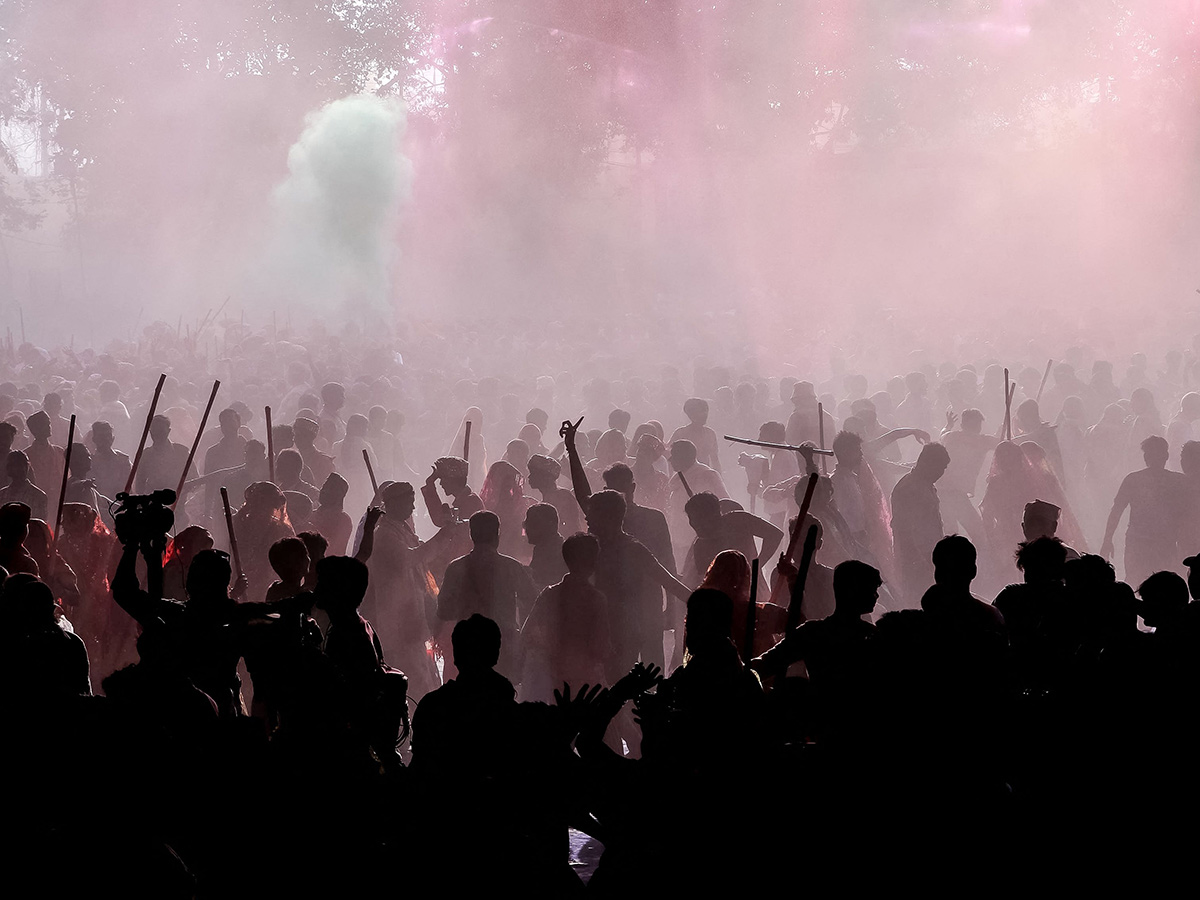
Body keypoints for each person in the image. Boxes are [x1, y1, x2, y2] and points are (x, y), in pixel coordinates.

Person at [437, 510, 538, 679]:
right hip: (504, 642)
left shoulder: (456, 568)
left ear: (471, 534)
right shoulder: (511, 567)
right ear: (497, 535)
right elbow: (534, 602)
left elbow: (444, 610)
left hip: (468, 645)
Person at [363, 482, 440, 702]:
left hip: (410, 609)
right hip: (396, 614)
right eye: (410, 501)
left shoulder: (401, 528)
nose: (413, 507)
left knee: (420, 669)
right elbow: (411, 558)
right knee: (407, 672)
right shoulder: (385, 534)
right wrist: (443, 537)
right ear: (393, 504)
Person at [520, 532, 612, 700]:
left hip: (555, 678)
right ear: (594, 562)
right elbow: (600, 645)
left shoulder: (549, 594)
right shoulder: (596, 599)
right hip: (587, 679)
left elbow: (527, 633)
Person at [1101, 435, 1189, 587]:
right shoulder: (1178, 481)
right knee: (1164, 586)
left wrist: (1107, 540)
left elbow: (1116, 511)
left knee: (1136, 584)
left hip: (1143, 542)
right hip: (1159, 543)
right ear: (1166, 456)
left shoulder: (1133, 480)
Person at [679, 490, 783, 589]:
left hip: (753, 589)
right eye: (692, 519)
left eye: (699, 519)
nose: (695, 524)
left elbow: (774, 534)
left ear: (714, 515)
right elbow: (705, 579)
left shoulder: (738, 521)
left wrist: (756, 566)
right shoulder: (700, 546)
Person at [890, 442, 951, 606]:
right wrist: (918, 560)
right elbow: (904, 530)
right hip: (917, 560)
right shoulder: (909, 489)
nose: (941, 473)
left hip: (930, 557)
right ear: (927, 462)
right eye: (940, 467)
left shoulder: (926, 485)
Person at [939, 409, 998, 543]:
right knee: (979, 535)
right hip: (955, 495)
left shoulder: (950, 436)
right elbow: (1006, 443)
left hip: (942, 492)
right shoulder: (982, 441)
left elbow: (942, 434)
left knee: (950, 533)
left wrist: (948, 425)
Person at [526, 453, 582, 536]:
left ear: (544, 476)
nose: (529, 477)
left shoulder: (563, 497)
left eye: (533, 473)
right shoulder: (550, 497)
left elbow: (572, 527)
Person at [135, 415, 188, 494]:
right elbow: (139, 484)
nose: (157, 435)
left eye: (161, 431)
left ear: (168, 431)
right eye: (154, 431)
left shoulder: (182, 452)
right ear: (150, 432)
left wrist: (181, 491)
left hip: (177, 501)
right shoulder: (146, 455)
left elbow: (193, 477)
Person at [669, 398, 722, 473]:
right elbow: (670, 457)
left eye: (706, 411)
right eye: (701, 411)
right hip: (685, 476)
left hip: (705, 476)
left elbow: (715, 459)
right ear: (691, 414)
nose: (705, 414)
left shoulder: (710, 434)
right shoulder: (680, 433)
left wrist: (719, 477)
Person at [308, 473, 354, 556]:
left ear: (339, 495)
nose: (324, 490)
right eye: (324, 487)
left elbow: (335, 549)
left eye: (330, 488)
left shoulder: (343, 520)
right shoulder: (312, 515)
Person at [523, 502, 566, 590]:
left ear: (550, 525)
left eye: (533, 524)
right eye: (526, 524)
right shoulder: (541, 549)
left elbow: (544, 588)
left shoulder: (558, 553)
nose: (527, 529)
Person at [88, 420, 131, 501]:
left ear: (113, 438)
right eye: (102, 436)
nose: (106, 439)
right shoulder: (88, 462)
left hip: (119, 505)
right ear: (94, 439)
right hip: (96, 506)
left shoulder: (123, 460)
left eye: (108, 435)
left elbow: (126, 486)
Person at [0, 450, 47, 520]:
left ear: (26, 467)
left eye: (22, 465)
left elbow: (39, 526)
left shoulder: (38, 496)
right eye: (12, 465)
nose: (21, 469)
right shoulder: (2, 494)